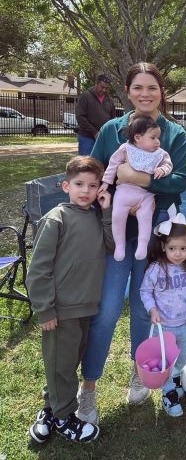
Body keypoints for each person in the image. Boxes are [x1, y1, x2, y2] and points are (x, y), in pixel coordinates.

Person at [78, 62, 186, 424]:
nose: (145, 94)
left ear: (162, 91)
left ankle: (138, 369)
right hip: (115, 237)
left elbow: (179, 182)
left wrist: (137, 177)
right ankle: (88, 387)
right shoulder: (112, 129)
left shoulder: (174, 135)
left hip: (154, 236)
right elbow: (95, 174)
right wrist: (109, 189)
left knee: (144, 309)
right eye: (138, 87)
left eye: (152, 88)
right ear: (127, 91)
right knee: (108, 309)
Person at [26, 156, 113, 444]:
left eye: (92, 185)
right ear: (66, 186)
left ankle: (50, 410)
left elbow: (112, 246)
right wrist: (45, 309)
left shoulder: (96, 216)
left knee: (66, 363)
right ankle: (65, 418)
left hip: (86, 306)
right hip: (60, 310)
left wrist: (107, 212)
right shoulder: (56, 219)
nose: (85, 191)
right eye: (79, 184)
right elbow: (39, 269)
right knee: (60, 365)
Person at [140, 210, 186, 417]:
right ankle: (168, 393)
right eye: (173, 248)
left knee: (182, 357)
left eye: (183, 248)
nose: (178, 253)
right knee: (165, 360)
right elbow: (145, 291)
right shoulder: (157, 269)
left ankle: (175, 379)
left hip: (183, 324)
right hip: (163, 326)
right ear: (163, 247)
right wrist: (152, 308)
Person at [100, 114, 173, 261]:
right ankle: (119, 245)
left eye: (158, 138)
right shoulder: (126, 149)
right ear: (138, 138)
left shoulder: (160, 153)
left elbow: (168, 164)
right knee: (117, 216)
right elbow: (113, 164)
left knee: (145, 218)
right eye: (153, 138)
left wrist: (163, 170)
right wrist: (106, 182)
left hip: (145, 195)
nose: (158, 142)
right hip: (124, 192)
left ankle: (142, 245)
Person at [76, 74, 116, 155]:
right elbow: (80, 117)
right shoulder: (86, 96)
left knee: (99, 165)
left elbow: (112, 119)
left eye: (107, 88)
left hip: (103, 138)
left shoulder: (110, 100)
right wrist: (94, 132)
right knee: (85, 164)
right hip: (86, 137)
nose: (104, 90)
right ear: (96, 84)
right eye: (102, 87)